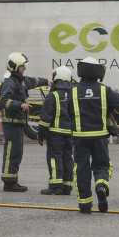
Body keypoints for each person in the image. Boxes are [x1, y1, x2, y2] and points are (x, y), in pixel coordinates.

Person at [68, 57, 119, 213]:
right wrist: (109, 111)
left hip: (80, 138)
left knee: (81, 169)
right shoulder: (104, 90)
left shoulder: (73, 91)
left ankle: (85, 205)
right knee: (102, 165)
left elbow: (68, 112)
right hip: (100, 137)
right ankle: (101, 185)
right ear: (98, 72)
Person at [0, 52, 49, 191]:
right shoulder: (9, 83)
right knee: (11, 152)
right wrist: (20, 105)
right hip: (11, 124)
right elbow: (4, 101)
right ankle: (9, 183)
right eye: (22, 66)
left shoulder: (20, 80)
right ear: (14, 67)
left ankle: (13, 179)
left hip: (18, 123)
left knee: (17, 152)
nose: (24, 68)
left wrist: (47, 81)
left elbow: (33, 81)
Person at [37, 65, 74, 195]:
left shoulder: (53, 95)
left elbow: (46, 117)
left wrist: (41, 133)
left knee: (54, 158)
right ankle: (67, 186)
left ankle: (55, 185)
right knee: (67, 158)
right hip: (70, 134)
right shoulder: (74, 94)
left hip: (55, 133)